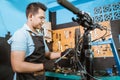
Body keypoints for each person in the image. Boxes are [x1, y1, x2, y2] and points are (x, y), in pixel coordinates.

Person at [8, 2, 70, 80]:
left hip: (39, 77)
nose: (43, 21)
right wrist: (44, 66)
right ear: (30, 16)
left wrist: (63, 53)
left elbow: (48, 54)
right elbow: (17, 66)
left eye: (44, 18)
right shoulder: (21, 34)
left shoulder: (39, 34)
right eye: (41, 18)